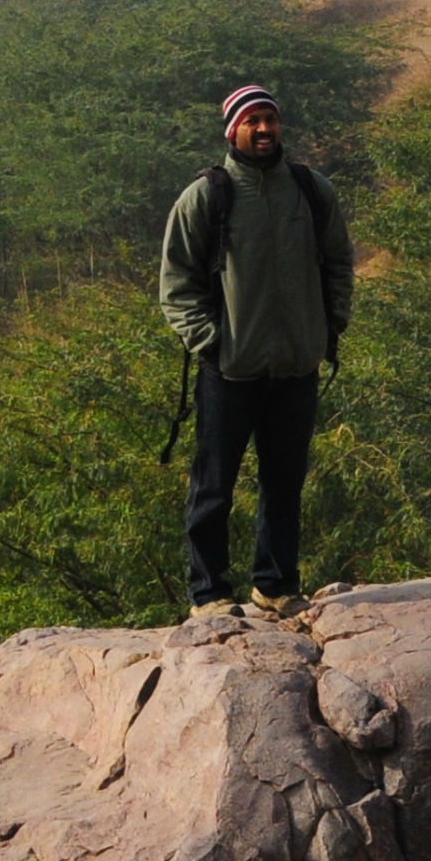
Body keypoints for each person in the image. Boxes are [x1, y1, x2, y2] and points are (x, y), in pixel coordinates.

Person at [157, 83, 357, 616]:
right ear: (233, 131)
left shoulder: (311, 190)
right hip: (231, 370)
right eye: (253, 121)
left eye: (270, 118)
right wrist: (212, 342)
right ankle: (209, 594)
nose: (264, 129)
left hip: (296, 365)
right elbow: (177, 283)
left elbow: (339, 261)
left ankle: (275, 586)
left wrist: (329, 325)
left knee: (285, 482)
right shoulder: (208, 196)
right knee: (214, 488)